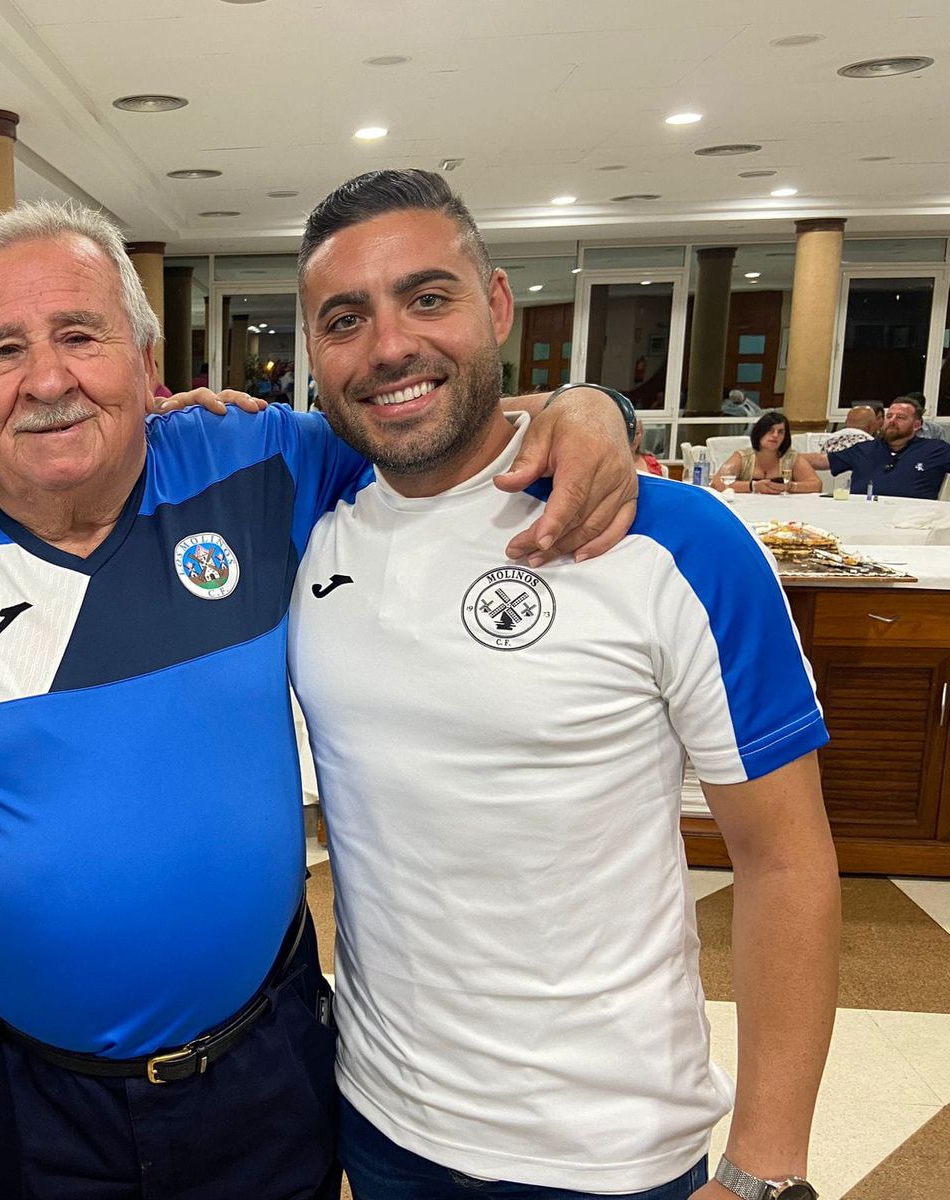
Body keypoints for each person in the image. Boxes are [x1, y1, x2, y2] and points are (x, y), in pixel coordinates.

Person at [0, 198, 640, 1200]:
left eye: (79, 335)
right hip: (13, 1095)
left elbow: (437, 434)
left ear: (147, 364)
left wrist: (589, 405)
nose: (48, 378)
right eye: (2, 349)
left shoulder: (264, 463)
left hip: (261, 1075)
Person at [287, 168, 837, 1200]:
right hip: (375, 1116)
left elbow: (785, 862)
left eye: (428, 297)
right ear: (313, 352)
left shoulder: (677, 542)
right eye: (344, 319)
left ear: (496, 305)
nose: (390, 345)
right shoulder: (309, 523)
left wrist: (765, 1169)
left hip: (605, 1146)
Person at [802, 396, 950, 499]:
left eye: (900, 417)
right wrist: (785, 455)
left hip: (913, 521)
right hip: (862, 515)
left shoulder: (935, 450)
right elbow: (822, 461)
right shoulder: (864, 448)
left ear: (917, 425)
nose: (892, 421)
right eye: (889, 416)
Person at [712, 411, 819, 494]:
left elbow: (816, 485)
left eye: (780, 432)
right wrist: (752, 486)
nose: (775, 435)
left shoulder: (791, 458)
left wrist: (790, 487)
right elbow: (716, 483)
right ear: (759, 432)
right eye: (770, 430)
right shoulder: (742, 457)